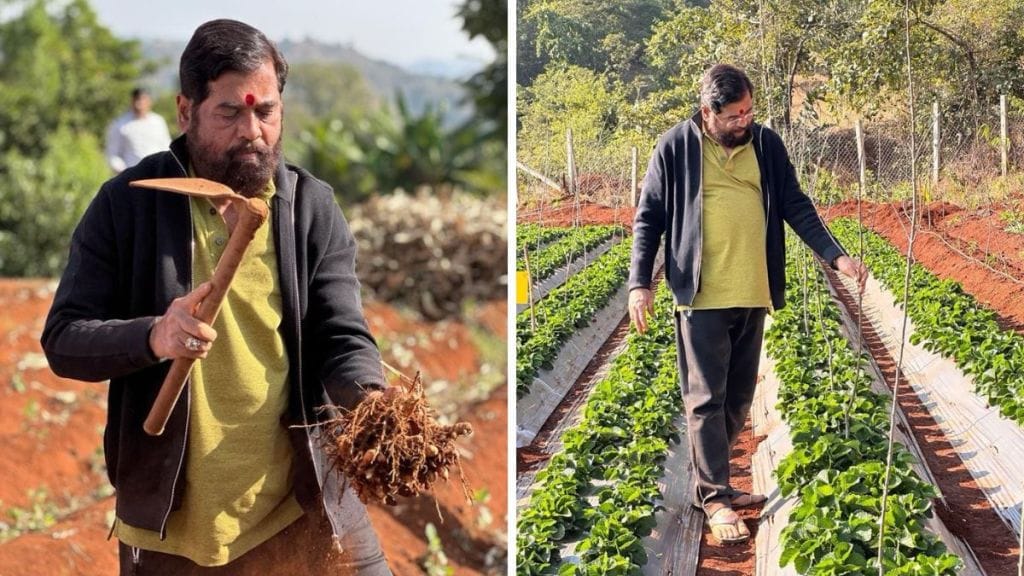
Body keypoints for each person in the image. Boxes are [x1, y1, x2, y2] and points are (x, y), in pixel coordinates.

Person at [43, 19, 391, 575]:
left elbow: (341, 334)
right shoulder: (127, 206)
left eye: (266, 111)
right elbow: (63, 339)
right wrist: (153, 336)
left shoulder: (309, 209)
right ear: (185, 112)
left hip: (290, 509)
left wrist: (370, 400)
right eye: (230, 113)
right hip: (172, 530)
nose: (252, 131)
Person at [628, 63, 867, 545]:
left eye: (750, 111)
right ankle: (715, 496)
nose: (745, 121)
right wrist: (640, 283)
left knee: (737, 398)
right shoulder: (675, 146)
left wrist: (836, 256)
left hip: (753, 291)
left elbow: (795, 205)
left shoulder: (766, 144)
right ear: (708, 113)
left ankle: (713, 485)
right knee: (704, 399)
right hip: (701, 296)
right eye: (736, 115)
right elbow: (648, 218)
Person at [104, 87, 172, 173]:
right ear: (131, 102)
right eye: (137, 100)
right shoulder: (120, 124)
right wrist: (125, 172)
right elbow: (112, 155)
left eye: (143, 100)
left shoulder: (158, 121)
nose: (139, 104)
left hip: (157, 174)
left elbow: (166, 147)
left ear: (149, 102)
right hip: (132, 176)